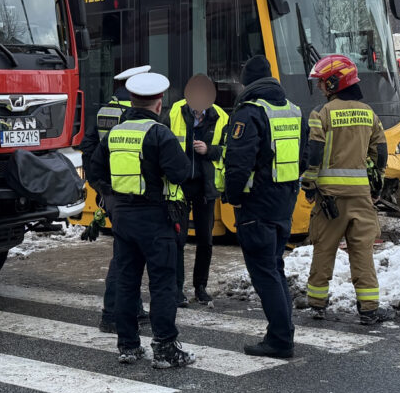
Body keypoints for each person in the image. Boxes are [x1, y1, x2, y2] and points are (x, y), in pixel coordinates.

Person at [91, 71, 196, 368]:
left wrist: (110, 198)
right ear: (159, 103)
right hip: (155, 217)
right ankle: (164, 348)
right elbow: (181, 173)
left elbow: (95, 171)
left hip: (123, 217)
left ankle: (128, 346)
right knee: (162, 283)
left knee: (126, 281)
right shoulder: (159, 133)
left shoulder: (116, 132)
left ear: (131, 100)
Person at [223, 56, 308, 358]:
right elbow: (304, 158)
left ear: (247, 83)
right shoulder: (294, 111)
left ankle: (281, 339)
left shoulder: (250, 112)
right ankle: (282, 333)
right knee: (274, 268)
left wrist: (232, 196)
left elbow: (238, 163)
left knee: (264, 273)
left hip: (255, 206)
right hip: (283, 204)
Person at [302, 55, 391, 325]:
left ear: (333, 82)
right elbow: (381, 153)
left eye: (321, 83)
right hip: (362, 198)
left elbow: (314, 151)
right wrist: (376, 186)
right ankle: (369, 309)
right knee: (362, 252)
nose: (320, 88)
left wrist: (309, 183)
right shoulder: (369, 114)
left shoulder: (322, 114)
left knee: (324, 249)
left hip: (330, 198)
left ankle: (317, 303)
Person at [81, 65, 152, 333]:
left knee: (128, 253)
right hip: (132, 193)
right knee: (125, 257)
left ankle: (131, 308)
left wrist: (102, 188)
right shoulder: (137, 113)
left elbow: (89, 150)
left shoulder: (104, 112)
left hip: (112, 192)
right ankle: (112, 313)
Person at [167, 74, 229, 306]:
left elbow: (228, 149)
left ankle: (200, 287)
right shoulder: (174, 112)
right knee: (178, 239)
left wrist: (209, 150)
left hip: (206, 186)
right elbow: (163, 143)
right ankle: (177, 289)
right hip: (181, 186)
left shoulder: (222, 116)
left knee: (205, 239)